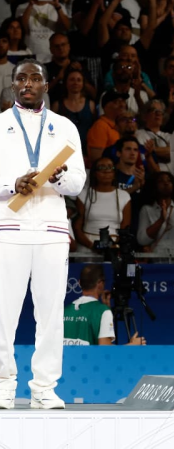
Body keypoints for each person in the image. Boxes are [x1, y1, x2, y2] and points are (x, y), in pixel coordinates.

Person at [0, 59, 86, 410]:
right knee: (3, 312)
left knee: (50, 313)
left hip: (52, 230)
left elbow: (78, 183)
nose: (28, 83)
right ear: (13, 85)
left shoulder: (65, 127)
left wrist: (59, 179)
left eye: (35, 78)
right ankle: (4, 385)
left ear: (47, 85)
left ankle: (44, 389)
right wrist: (11, 185)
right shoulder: (0, 124)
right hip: (9, 228)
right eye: (21, 78)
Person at [63, 265, 146, 346]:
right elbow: (105, 351)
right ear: (100, 283)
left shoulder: (64, 311)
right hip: (89, 360)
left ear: (79, 282)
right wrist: (132, 345)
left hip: (67, 360)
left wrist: (106, 308)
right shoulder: (103, 311)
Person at [73, 157, 132, 257]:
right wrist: (91, 246)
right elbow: (77, 227)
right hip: (87, 246)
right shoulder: (83, 195)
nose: (106, 171)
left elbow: (125, 227)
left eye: (110, 167)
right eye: (102, 167)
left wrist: (113, 246)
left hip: (113, 246)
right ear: (94, 173)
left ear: (114, 173)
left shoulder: (124, 196)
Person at [136, 172, 174, 258]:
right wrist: (160, 220)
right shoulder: (147, 209)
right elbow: (142, 240)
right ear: (154, 186)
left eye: (169, 181)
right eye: (161, 181)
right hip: (157, 260)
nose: (166, 183)